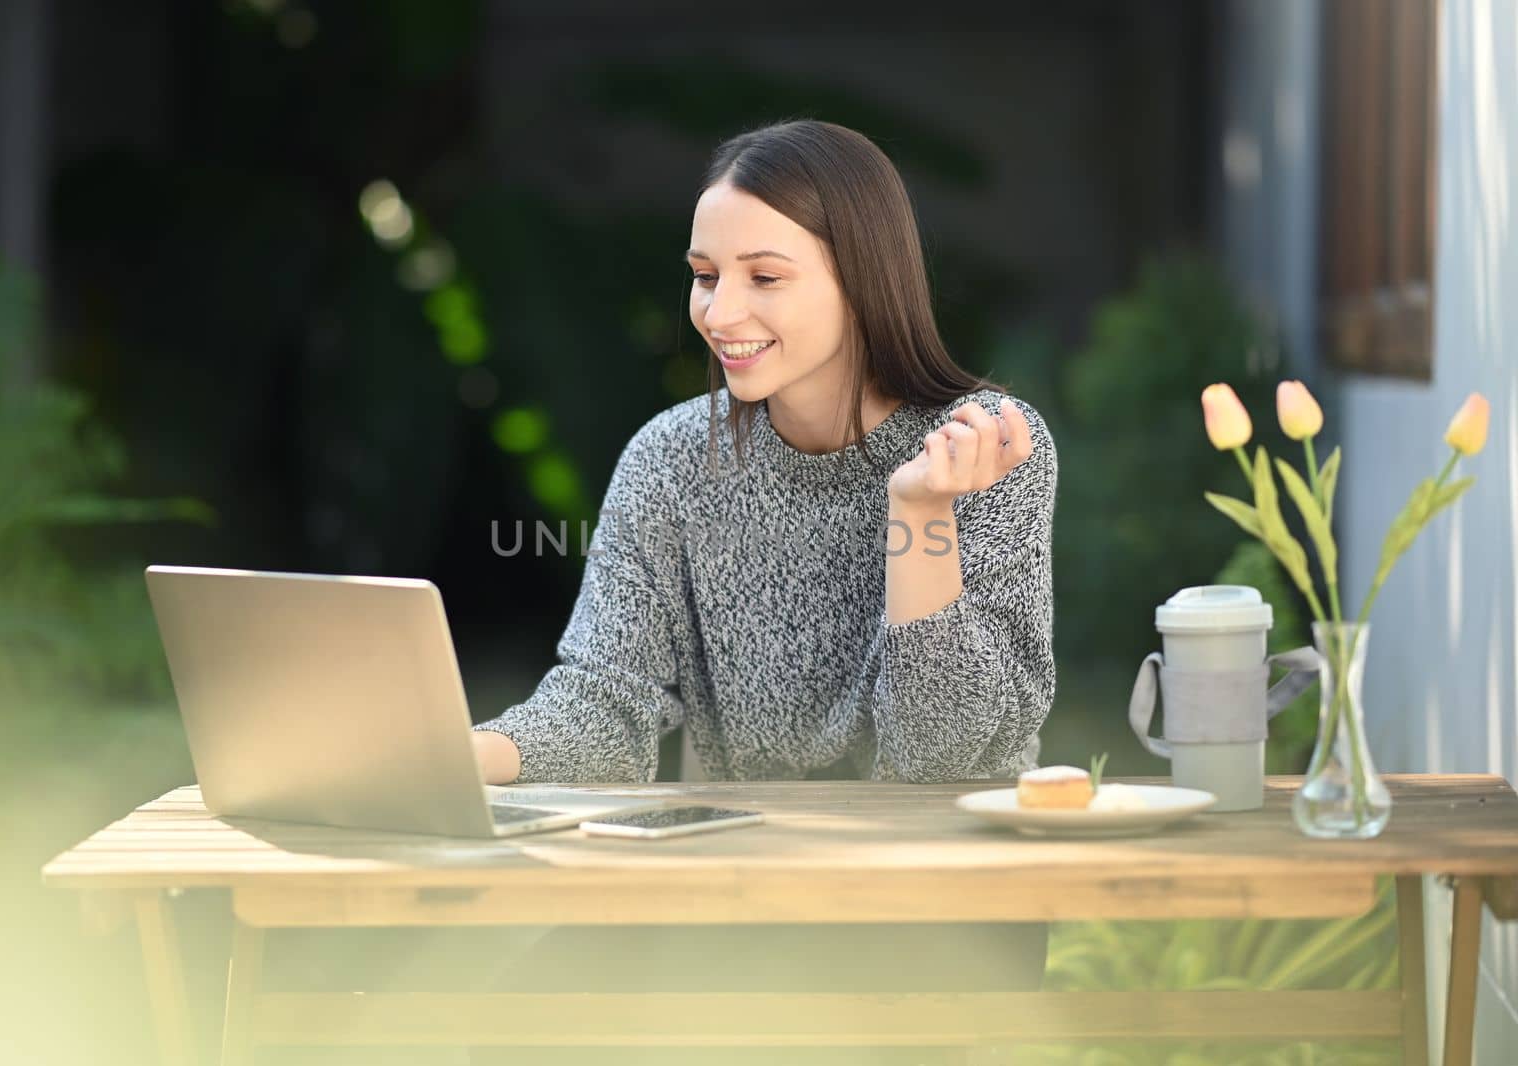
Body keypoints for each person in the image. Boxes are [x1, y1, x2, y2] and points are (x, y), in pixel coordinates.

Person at [284, 119, 1058, 1066]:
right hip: (742, 895)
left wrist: (921, 513)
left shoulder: (989, 447)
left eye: (765, 277)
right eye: (704, 274)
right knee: (482, 1018)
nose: (720, 310)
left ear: (865, 279)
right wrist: (431, 753)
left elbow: (939, 758)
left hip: (946, 909)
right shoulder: (671, 460)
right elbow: (603, 708)